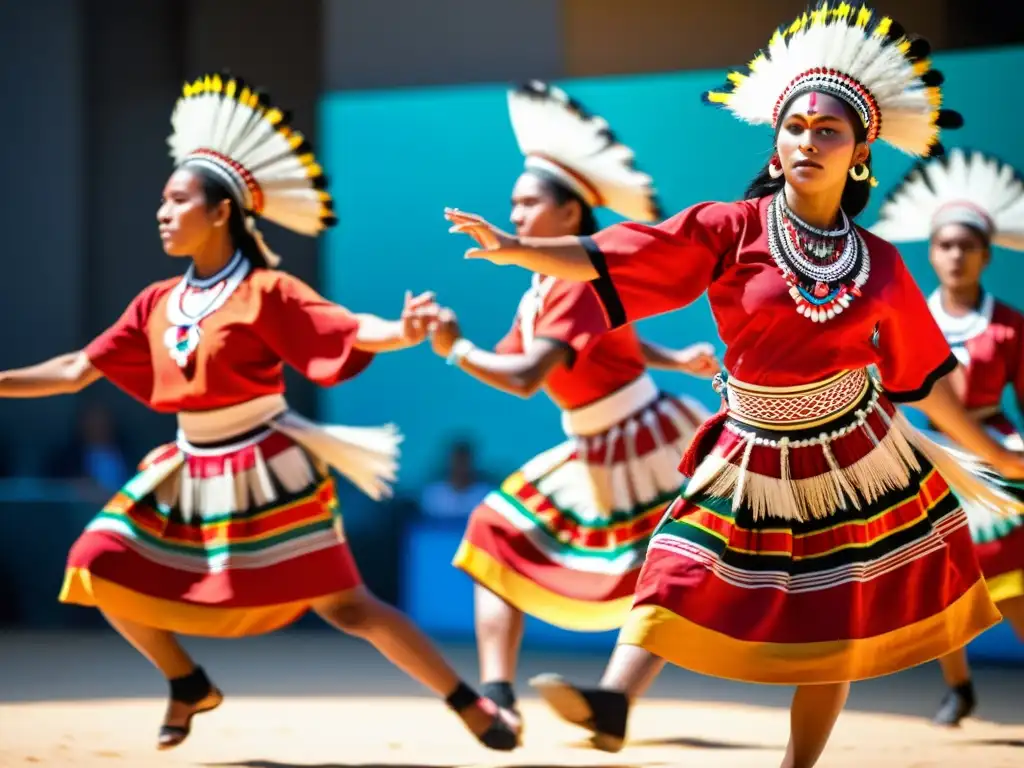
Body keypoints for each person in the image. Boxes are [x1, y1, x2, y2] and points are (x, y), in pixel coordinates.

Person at [441, 5, 1024, 767]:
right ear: (775, 148)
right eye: (795, 128)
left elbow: (928, 384)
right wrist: (518, 248)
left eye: (829, 131)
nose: (808, 140)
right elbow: (629, 253)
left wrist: (1001, 460)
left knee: (834, 625)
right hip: (749, 443)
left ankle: (795, 765)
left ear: (859, 155)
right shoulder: (732, 227)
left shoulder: (880, 265)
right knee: (677, 559)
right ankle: (615, 700)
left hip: (853, 454)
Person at [0, 72, 516, 753]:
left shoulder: (266, 291)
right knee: (96, 562)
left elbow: (351, 327)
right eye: (162, 200)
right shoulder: (156, 302)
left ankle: (468, 701)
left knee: (349, 606)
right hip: (185, 466)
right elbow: (72, 371)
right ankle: (187, 683)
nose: (162, 211)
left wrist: (404, 328)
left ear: (220, 213)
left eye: (178, 199)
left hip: (265, 465)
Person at [429, 81, 718, 732]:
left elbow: (528, 375)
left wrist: (455, 350)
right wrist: (674, 358)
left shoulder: (567, 282)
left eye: (529, 204)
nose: (516, 215)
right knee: (494, 534)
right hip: (598, 441)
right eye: (514, 203)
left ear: (570, 217)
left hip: (644, 438)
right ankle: (502, 694)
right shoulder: (545, 287)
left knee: (668, 571)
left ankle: (605, 702)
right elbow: (608, 342)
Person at [871, 147, 1024, 726]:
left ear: (986, 254)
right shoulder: (911, 320)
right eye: (945, 245)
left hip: (996, 462)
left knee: (1010, 584)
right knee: (941, 586)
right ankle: (957, 687)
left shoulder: (1010, 325)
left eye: (967, 245)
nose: (956, 255)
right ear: (931, 253)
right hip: (929, 460)